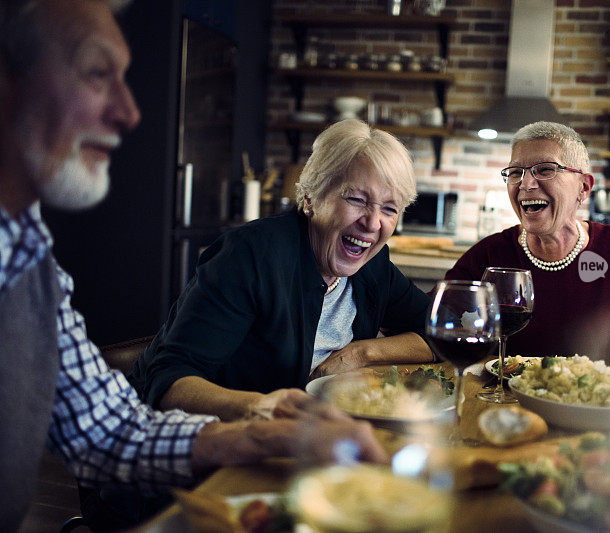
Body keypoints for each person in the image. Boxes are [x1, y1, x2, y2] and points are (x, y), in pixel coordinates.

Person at [0, 1, 385, 530]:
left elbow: (108, 431)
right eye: (95, 74)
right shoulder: (255, 252)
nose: (130, 112)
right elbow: (167, 378)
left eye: (389, 208)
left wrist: (262, 432)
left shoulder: (27, 256)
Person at [128, 118, 433, 420]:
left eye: (389, 208)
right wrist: (268, 410)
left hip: (305, 438)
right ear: (311, 198)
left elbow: (442, 330)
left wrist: (362, 352)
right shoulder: (250, 256)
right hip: (200, 439)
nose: (372, 222)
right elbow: (169, 382)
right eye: (356, 199)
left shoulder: (373, 266)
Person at [444, 121, 610, 385]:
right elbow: (431, 314)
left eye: (545, 169)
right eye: (515, 172)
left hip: (599, 401)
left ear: (584, 188)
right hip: (510, 402)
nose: (526, 183)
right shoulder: (492, 252)